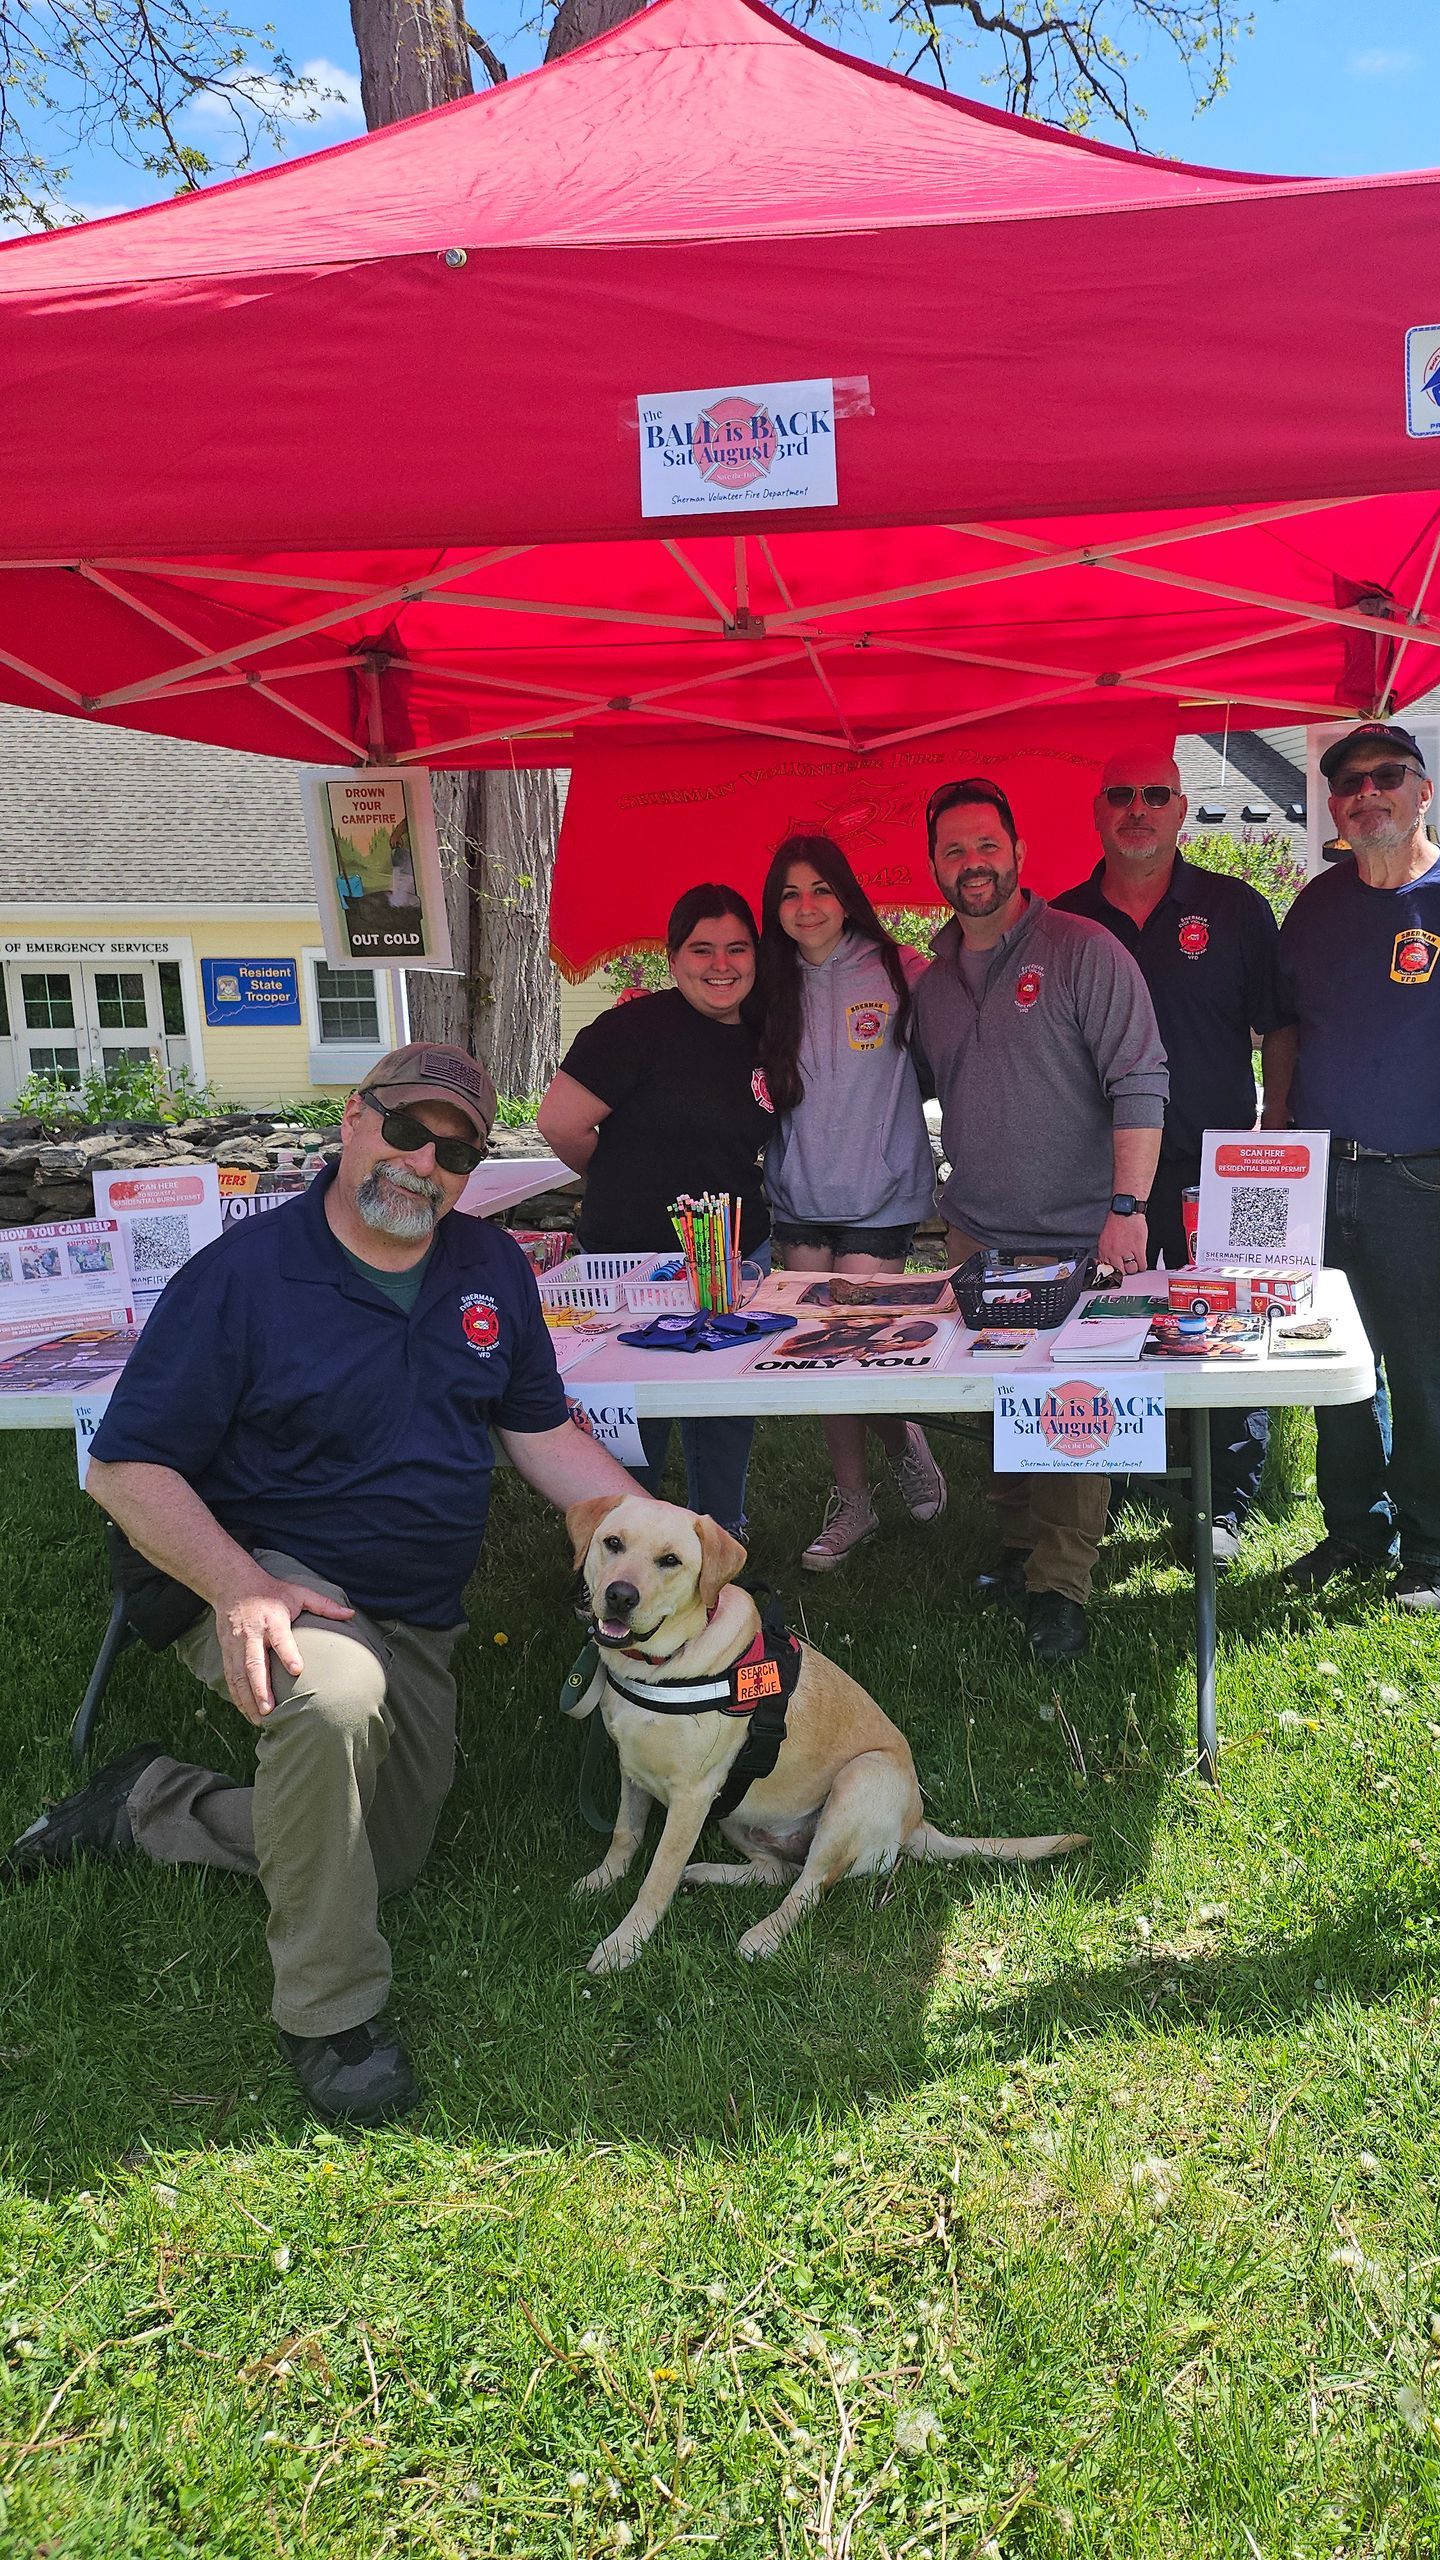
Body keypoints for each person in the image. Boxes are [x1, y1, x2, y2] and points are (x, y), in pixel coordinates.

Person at [2, 1043, 639, 2126]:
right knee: (330, 1698)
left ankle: (146, 1802)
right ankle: (328, 2015)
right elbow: (125, 1466)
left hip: (417, 1609)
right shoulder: (243, 1276)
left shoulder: (487, 1268)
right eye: (405, 1130)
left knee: (376, 1861)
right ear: (353, 1120)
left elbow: (539, 1433)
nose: (423, 1164)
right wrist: (240, 1585)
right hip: (263, 1567)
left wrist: (656, 1536)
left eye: (456, 1149)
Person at [913, 775, 1168, 1662]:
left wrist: (1127, 1209)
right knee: (998, 1403)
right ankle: (1019, 1551)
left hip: (1079, 1234)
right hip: (978, 1232)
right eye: (954, 849)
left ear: (1019, 853)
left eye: (987, 845)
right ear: (934, 865)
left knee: (1072, 1409)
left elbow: (1141, 1080)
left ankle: (1061, 1587)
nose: (972, 863)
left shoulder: (1082, 949)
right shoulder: (933, 979)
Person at [1266, 723, 1440, 1612]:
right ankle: (1357, 1532)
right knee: (1332, 1364)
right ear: (1334, 805)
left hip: (1431, 1176)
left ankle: (1436, 1552)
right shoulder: (1316, 908)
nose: (1366, 793)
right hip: (1322, 1175)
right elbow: (1284, 1027)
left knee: (1431, 1366)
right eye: (1348, 783)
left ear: (1423, 789)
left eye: (1385, 776)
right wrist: (1277, 1123)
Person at [1055, 745, 1289, 1565]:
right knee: (1110, 1323)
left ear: (1182, 810)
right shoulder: (1065, 920)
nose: (1138, 808)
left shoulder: (1234, 909)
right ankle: (1113, 1478)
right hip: (1106, 1170)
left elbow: (1278, 1026)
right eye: (1120, 794)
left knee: (1221, 1318)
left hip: (1216, 1162)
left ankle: (1223, 1500)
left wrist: (1278, 1126)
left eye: (1156, 794)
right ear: (1097, 813)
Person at [539, 884, 775, 1542]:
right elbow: (560, 1124)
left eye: (736, 948)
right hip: (630, 1256)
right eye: (701, 949)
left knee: (723, 1398)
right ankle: (625, 1538)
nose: (720, 964)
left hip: (732, 1253)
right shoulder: (630, 1030)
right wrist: (620, 1174)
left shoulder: (768, 1034)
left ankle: (720, 1530)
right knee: (631, 1404)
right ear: (672, 958)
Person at [757, 834, 948, 1571]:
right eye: (789, 894)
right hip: (800, 1189)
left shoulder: (903, 970)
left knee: (859, 1348)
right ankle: (854, 1500)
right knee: (822, 1352)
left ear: (846, 895)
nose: (806, 907)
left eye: (820, 890)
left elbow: (951, 1053)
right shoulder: (764, 982)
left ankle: (903, 1439)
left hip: (880, 1192)